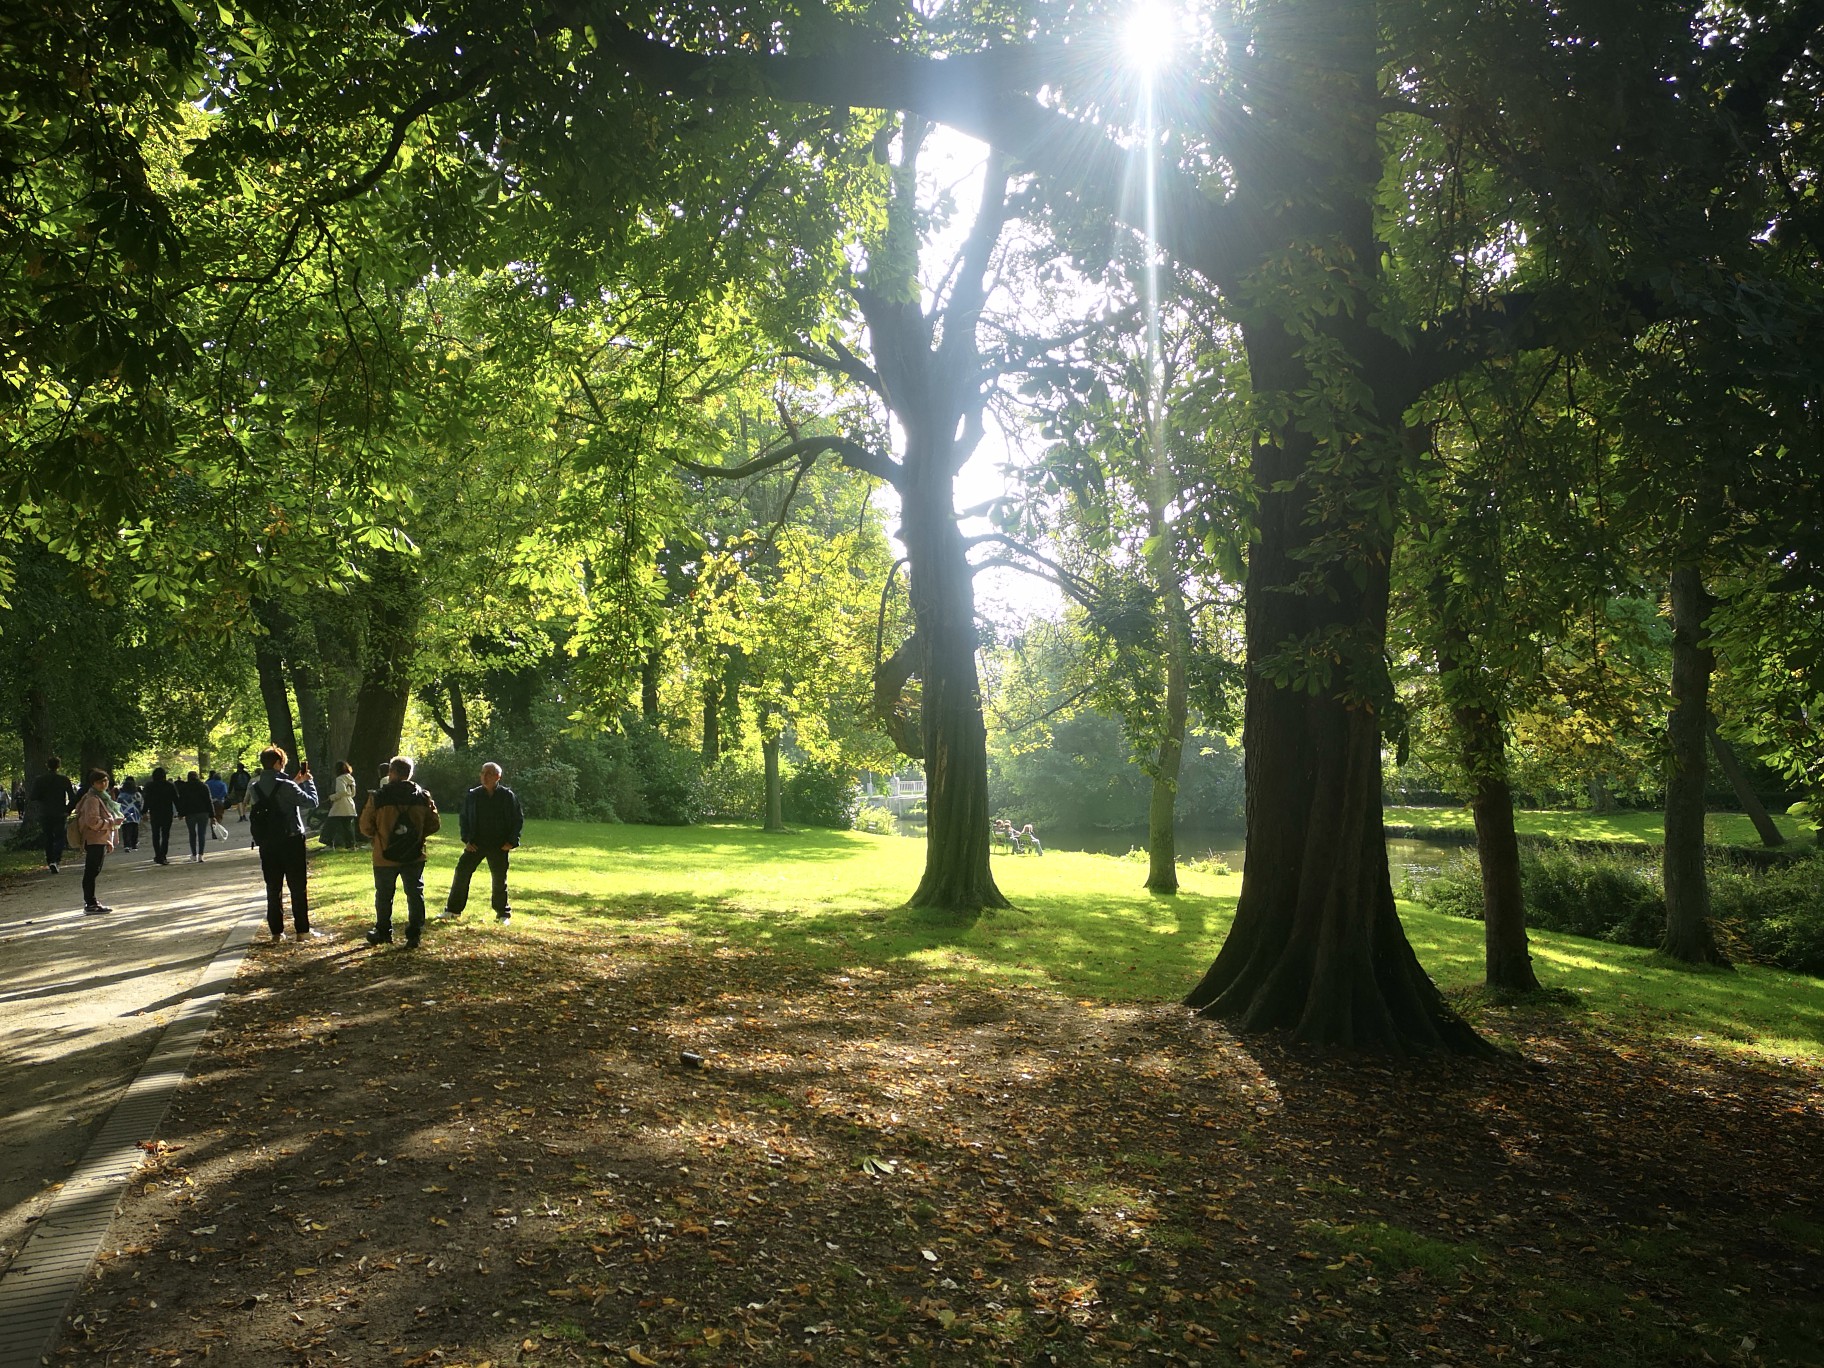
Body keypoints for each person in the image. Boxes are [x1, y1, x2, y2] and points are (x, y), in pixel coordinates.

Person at [357, 756, 441, 948]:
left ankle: (383, 931)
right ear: (409, 773)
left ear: (391, 772)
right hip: (414, 853)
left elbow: (365, 827)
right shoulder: (422, 796)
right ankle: (414, 935)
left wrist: (380, 836)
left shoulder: (378, 797)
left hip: (384, 854)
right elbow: (434, 824)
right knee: (415, 893)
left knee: (384, 895)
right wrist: (417, 835)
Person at [248, 745, 320, 942]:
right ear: (278, 763)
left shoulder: (254, 787)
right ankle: (302, 930)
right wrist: (307, 783)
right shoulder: (288, 786)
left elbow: (274, 797)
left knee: (273, 887)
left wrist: (294, 782)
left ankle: (276, 932)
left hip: (268, 842)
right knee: (297, 886)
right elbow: (311, 802)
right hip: (291, 838)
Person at [440, 762, 524, 924]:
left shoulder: (507, 796)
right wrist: (467, 839)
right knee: (462, 873)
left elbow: (517, 819)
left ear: (498, 777)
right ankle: (453, 910)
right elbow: (464, 818)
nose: (484, 777)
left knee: (499, 879)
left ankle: (503, 914)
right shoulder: (473, 795)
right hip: (476, 844)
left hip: (499, 844)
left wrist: (512, 842)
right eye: (483, 773)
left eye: (489, 774)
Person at [70, 768, 122, 913]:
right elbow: (92, 821)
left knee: (94, 870)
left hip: (99, 838)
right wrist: (111, 822)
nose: (104, 784)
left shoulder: (101, 796)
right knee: (92, 871)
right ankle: (90, 903)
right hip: (94, 838)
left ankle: (91, 901)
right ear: (93, 783)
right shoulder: (92, 799)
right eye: (100, 782)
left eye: (105, 781)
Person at [29, 755, 76, 873]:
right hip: (60, 812)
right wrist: (68, 810)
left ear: (47, 765)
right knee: (60, 837)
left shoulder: (40, 780)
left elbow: (33, 796)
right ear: (59, 766)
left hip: (45, 812)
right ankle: (56, 860)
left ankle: (50, 860)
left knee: (48, 837)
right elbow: (72, 797)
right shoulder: (64, 780)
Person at [143, 766, 178, 864]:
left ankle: (158, 854)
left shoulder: (149, 786)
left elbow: (147, 800)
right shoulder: (169, 785)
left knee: (155, 834)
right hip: (167, 812)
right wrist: (181, 811)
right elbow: (175, 799)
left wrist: (144, 811)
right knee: (165, 834)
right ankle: (163, 855)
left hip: (155, 812)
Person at [176, 769, 213, 862]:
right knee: (202, 834)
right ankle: (201, 855)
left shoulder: (184, 787)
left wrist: (180, 813)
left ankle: (193, 854)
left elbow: (182, 802)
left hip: (190, 813)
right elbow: (209, 801)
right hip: (203, 813)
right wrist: (212, 815)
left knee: (192, 834)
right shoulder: (204, 786)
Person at [323, 760, 359, 848]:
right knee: (347, 827)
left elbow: (341, 792)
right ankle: (351, 845)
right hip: (350, 803)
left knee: (331, 823)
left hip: (340, 805)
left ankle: (328, 843)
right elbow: (353, 793)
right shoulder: (351, 778)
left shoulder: (339, 779)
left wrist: (332, 797)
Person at [116, 775, 145, 852]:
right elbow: (141, 803)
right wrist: (142, 812)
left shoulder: (121, 795)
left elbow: (117, 804)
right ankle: (134, 844)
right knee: (134, 829)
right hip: (135, 814)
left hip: (124, 814)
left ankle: (127, 845)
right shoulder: (137, 794)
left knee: (125, 830)